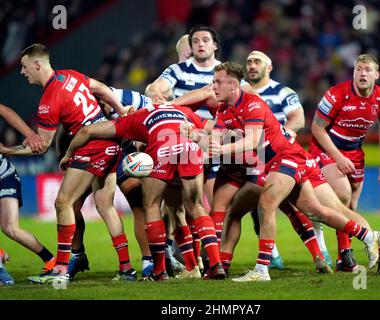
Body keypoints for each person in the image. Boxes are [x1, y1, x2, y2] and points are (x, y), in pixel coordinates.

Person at [194, 62, 380, 281]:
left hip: (287, 157)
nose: (213, 86)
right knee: (315, 211)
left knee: (266, 204)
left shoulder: (252, 104)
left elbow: (252, 141)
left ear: (234, 85)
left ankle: (262, 269)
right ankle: (368, 236)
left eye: (218, 82)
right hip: (281, 162)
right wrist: (197, 142)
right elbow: (214, 141)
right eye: (213, 81)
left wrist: (222, 148)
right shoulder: (224, 111)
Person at [0, 43, 135, 284]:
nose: (22, 72)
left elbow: (41, 145)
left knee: (63, 202)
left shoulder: (49, 100)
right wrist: (120, 109)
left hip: (92, 147)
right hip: (112, 141)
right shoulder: (70, 75)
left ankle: (60, 269)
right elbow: (102, 88)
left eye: (24, 66)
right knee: (105, 206)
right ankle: (126, 269)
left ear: (37, 64)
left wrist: (7, 150)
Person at [59, 103, 226, 281]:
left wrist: (68, 154)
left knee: (152, 206)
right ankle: (215, 265)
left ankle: (159, 271)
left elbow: (88, 132)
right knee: (195, 207)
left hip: (162, 147)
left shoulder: (134, 118)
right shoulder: (181, 109)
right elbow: (215, 128)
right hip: (189, 149)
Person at [244, 50, 332, 269]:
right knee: (259, 207)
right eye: (249, 62)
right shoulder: (240, 91)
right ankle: (272, 255)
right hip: (252, 158)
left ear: (269, 67)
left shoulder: (283, 92)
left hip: (282, 156)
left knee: (305, 205)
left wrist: (278, 137)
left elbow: (298, 118)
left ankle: (321, 249)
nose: (252, 66)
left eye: (257, 62)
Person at [309, 54, 380, 272]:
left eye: (367, 70)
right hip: (326, 149)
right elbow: (317, 128)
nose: (362, 73)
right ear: (353, 72)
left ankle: (343, 257)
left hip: (355, 152)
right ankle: (372, 245)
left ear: (377, 74)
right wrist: (338, 157)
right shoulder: (336, 94)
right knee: (343, 194)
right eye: (358, 69)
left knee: (351, 206)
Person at [146, 25, 222, 269]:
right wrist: (157, 94)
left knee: (216, 206)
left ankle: (210, 257)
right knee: (184, 207)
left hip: (214, 142)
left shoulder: (222, 72)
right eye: (196, 40)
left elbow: (229, 104)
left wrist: (176, 106)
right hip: (181, 142)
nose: (200, 44)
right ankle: (199, 259)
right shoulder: (177, 70)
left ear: (214, 45)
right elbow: (152, 89)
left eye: (205, 40)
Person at [0, 103, 56, 276]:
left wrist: (31, 134)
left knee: (11, 228)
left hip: (4, 174)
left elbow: (6, 111)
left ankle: (51, 261)